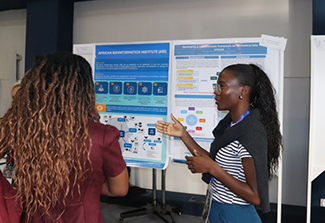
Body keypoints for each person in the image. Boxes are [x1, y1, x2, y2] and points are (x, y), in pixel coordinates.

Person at [0, 52, 129, 223]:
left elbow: (9, 176)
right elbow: (119, 189)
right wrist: (86, 185)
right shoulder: (102, 136)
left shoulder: (15, 130)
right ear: (83, 90)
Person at [155, 64, 282, 223]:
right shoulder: (232, 125)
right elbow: (216, 162)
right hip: (221, 210)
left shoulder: (251, 132)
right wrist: (183, 134)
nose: (216, 92)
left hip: (235, 215)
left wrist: (212, 168)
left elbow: (255, 196)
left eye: (222, 86)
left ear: (243, 91)